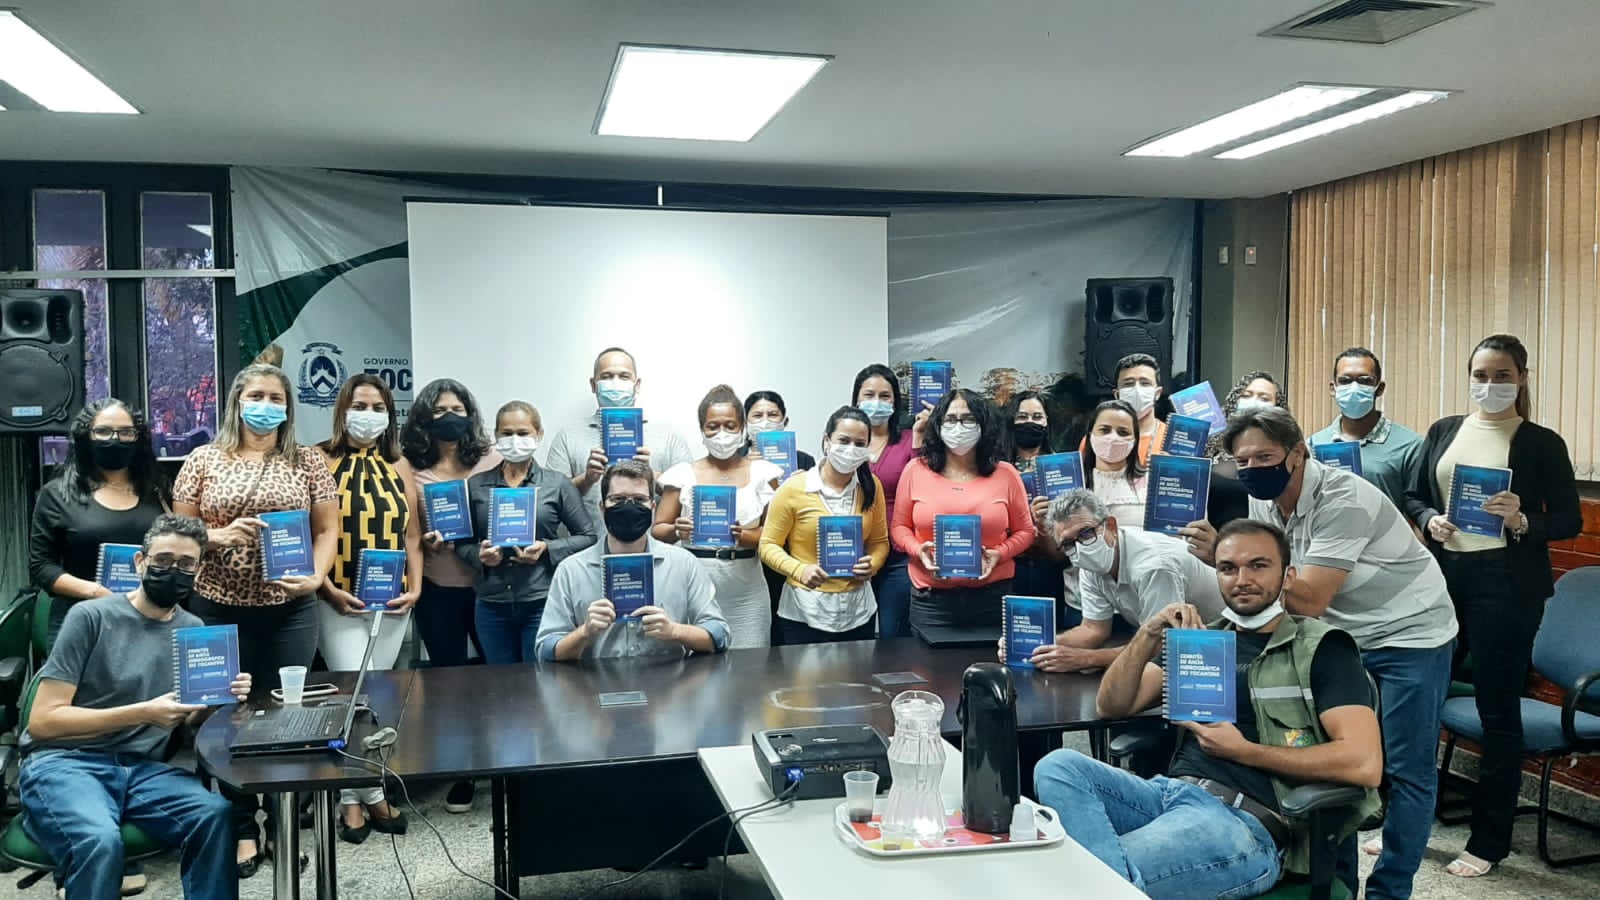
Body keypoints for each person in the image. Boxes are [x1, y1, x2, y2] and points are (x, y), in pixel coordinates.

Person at [1187, 406, 1457, 900]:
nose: (1252, 469)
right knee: (1329, 759)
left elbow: (1307, 597)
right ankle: (1339, 884)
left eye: (1264, 457)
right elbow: (1273, 582)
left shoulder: (1344, 498)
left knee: (1404, 769)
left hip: (1409, 632)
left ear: (1298, 453)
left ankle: (1390, 891)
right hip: (1341, 634)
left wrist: (1222, 556)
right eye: (1242, 461)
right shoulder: (1262, 501)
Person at [1034, 519, 1381, 900]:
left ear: (1288, 576)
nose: (1242, 579)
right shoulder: (1202, 641)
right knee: (1058, 766)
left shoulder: (1322, 649)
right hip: (1168, 795)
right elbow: (1112, 704)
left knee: (1077, 879)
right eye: (1228, 568)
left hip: (1242, 822)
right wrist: (1148, 633)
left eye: (1258, 565)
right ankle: (1109, 882)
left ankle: (1101, 882)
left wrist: (1244, 751)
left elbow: (1364, 763)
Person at [1402, 334, 1581, 878]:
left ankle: (1488, 841)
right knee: (1418, 699)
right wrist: (1430, 519)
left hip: (1507, 587)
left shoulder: (1541, 443)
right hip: (1444, 579)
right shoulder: (1444, 431)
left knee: (1497, 713)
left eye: (1502, 375)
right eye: (1481, 375)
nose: (1490, 384)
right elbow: (1413, 494)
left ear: (1522, 378)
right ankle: (1406, 823)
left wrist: (1522, 519)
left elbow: (1569, 520)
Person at [19, 514, 251, 900]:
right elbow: (43, 722)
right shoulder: (90, 616)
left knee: (213, 814)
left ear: (199, 570)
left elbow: (191, 722)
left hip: (141, 769)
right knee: (99, 840)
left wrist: (219, 698)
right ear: (140, 562)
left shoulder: (194, 631)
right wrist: (141, 713)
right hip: (65, 761)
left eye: (186, 564)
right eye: (163, 560)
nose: (174, 571)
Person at [171, 363, 338, 875]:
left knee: (287, 715)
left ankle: (282, 822)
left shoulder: (308, 461)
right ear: (237, 402)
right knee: (228, 716)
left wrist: (317, 577)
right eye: (256, 395)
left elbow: (326, 530)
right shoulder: (203, 459)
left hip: (290, 610)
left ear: (288, 407)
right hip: (216, 606)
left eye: (276, 397)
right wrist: (214, 537)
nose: (266, 405)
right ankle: (242, 826)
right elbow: (177, 533)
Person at [314, 374, 420, 843]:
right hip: (338, 597)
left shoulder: (399, 464)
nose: (369, 414)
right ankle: (365, 795)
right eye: (360, 405)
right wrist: (326, 589)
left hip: (392, 600)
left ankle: (355, 796)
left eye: (379, 408)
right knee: (351, 698)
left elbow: (412, 534)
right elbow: (312, 532)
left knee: (376, 698)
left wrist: (416, 587)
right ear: (342, 409)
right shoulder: (317, 458)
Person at [399, 377, 499, 813]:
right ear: (424, 417)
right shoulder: (408, 466)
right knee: (449, 682)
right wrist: (426, 542)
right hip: (437, 589)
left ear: (470, 414)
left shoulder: (491, 459)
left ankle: (501, 760)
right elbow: (408, 531)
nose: (449, 417)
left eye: (457, 409)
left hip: (490, 589)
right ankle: (462, 771)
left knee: (499, 679)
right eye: (439, 410)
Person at [536, 460, 728, 660]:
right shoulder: (571, 570)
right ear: (602, 508)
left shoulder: (684, 563)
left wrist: (675, 631)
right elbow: (546, 650)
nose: (629, 506)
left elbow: (719, 634)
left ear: (652, 507)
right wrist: (584, 632)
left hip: (669, 677)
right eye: (618, 499)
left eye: (639, 499)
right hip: (594, 678)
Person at [1016, 489, 1223, 673]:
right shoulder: (1089, 562)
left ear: (1111, 526)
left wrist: (1085, 659)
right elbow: (1093, 629)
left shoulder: (1153, 566)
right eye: (1068, 543)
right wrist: (1030, 645)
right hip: (1180, 644)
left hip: (1219, 642)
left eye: (1086, 533)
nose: (1080, 547)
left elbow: (1161, 647)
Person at [29, 399, 170, 649]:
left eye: (126, 432)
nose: (115, 439)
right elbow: (41, 567)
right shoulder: (56, 494)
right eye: (103, 431)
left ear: (138, 438)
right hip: (81, 621)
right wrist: (97, 593)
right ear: (85, 437)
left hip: (151, 619)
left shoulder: (158, 490)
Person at [892, 389, 1034, 635]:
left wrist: (999, 554)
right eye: (950, 419)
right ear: (938, 425)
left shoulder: (1006, 474)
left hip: (992, 597)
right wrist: (918, 550)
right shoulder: (915, 470)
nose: (959, 427)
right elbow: (899, 527)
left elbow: (1026, 532)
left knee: (990, 661)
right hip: (931, 601)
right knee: (925, 661)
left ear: (984, 425)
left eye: (969, 419)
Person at [464, 400, 596, 664]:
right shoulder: (477, 485)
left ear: (539, 434)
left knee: (540, 677)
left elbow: (588, 536)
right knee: (499, 679)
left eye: (523, 433)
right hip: (491, 603)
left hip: (541, 601)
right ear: (496, 435)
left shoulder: (557, 484)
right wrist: (479, 555)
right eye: (507, 433)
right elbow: (461, 542)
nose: (515, 439)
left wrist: (547, 548)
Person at [653, 385, 782, 648]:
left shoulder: (764, 473)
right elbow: (658, 530)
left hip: (747, 592)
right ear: (702, 430)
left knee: (752, 664)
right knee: (697, 667)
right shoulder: (681, 474)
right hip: (694, 588)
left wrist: (744, 536)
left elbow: (774, 535)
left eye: (730, 425)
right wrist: (677, 530)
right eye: (713, 426)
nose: (722, 433)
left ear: (742, 428)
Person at [758, 407, 889, 644]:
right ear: (827, 441)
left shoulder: (872, 486)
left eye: (860, 444)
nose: (851, 449)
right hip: (804, 609)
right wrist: (799, 570)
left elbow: (880, 542)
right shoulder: (794, 488)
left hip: (858, 610)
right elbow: (767, 546)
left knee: (859, 670)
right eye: (844, 440)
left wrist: (873, 564)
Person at [544, 347, 694, 526]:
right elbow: (549, 503)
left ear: (637, 384)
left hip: (652, 542)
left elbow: (689, 501)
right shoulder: (568, 437)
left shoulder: (669, 436)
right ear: (593, 385)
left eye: (624, 376)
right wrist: (587, 479)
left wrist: (651, 474)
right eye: (607, 376)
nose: (615, 383)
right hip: (590, 541)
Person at [852, 364, 926, 639]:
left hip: (897, 554)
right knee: (854, 637)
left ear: (895, 402)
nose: (877, 402)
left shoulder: (909, 439)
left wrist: (919, 438)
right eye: (869, 395)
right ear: (856, 400)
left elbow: (921, 484)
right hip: (854, 552)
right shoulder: (846, 442)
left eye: (885, 396)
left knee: (893, 636)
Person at [1059, 400, 1147, 629]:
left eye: (1123, 432)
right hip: (1082, 605)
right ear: (1090, 435)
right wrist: (1042, 523)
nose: (1113, 438)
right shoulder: (1069, 484)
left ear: (1135, 440)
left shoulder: (1154, 484)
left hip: (1143, 602)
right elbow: (1058, 551)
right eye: (1105, 430)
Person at [1310, 348, 1424, 514]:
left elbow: (1418, 509)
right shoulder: (1314, 444)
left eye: (1365, 381)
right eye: (1345, 380)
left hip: (1387, 530)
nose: (1354, 387)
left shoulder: (1411, 446)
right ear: (1333, 388)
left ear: (1380, 388)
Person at [745, 389, 815, 641]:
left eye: (772, 414)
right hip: (749, 557)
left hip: (790, 555)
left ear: (785, 420)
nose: (765, 421)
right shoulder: (736, 462)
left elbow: (814, 511)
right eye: (757, 415)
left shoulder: (804, 460)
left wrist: (800, 486)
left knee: (785, 629)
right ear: (745, 423)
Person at [1204, 371, 1290, 528]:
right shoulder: (1209, 444)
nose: (1253, 401)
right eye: (1246, 395)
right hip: (1209, 535)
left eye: (1264, 398)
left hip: (1263, 533)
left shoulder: (1286, 448)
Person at [1006, 390, 1067, 608]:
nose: (1030, 422)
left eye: (1037, 417)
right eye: (1022, 417)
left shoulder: (1061, 468)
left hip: (1052, 567)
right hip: (1010, 567)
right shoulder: (996, 467)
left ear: (1047, 421)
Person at [1109, 353, 1167, 466]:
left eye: (1145, 383)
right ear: (1117, 395)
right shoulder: (1099, 438)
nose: (1137, 390)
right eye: (1128, 384)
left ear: (1157, 393)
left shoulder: (1174, 440)